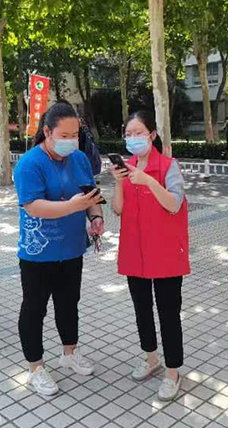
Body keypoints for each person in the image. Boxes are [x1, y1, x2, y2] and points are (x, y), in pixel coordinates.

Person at [13, 102, 104, 396]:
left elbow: (90, 196)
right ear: (47, 132)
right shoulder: (29, 164)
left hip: (72, 248)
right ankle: (36, 368)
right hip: (38, 252)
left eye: (75, 135)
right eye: (64, 135)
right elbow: (33, 206)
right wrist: (72, 207)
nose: (71, 141)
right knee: (34, 308)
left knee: (68, 303)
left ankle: (69, 352)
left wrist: (96, 217)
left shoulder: (79, 159)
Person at [111, 110, 190, 402]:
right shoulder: (127, 168)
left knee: (168, 313)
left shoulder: (168, 166)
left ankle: (173, 372)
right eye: (128, 134)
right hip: (135, 252)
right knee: (142, 309)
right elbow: (118, 209)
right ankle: (151, 358)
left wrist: (149, 181)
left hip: (165, 253)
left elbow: (174, 204)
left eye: (138, 133)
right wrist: (118, 181)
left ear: (152, 135)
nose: (132, 139)